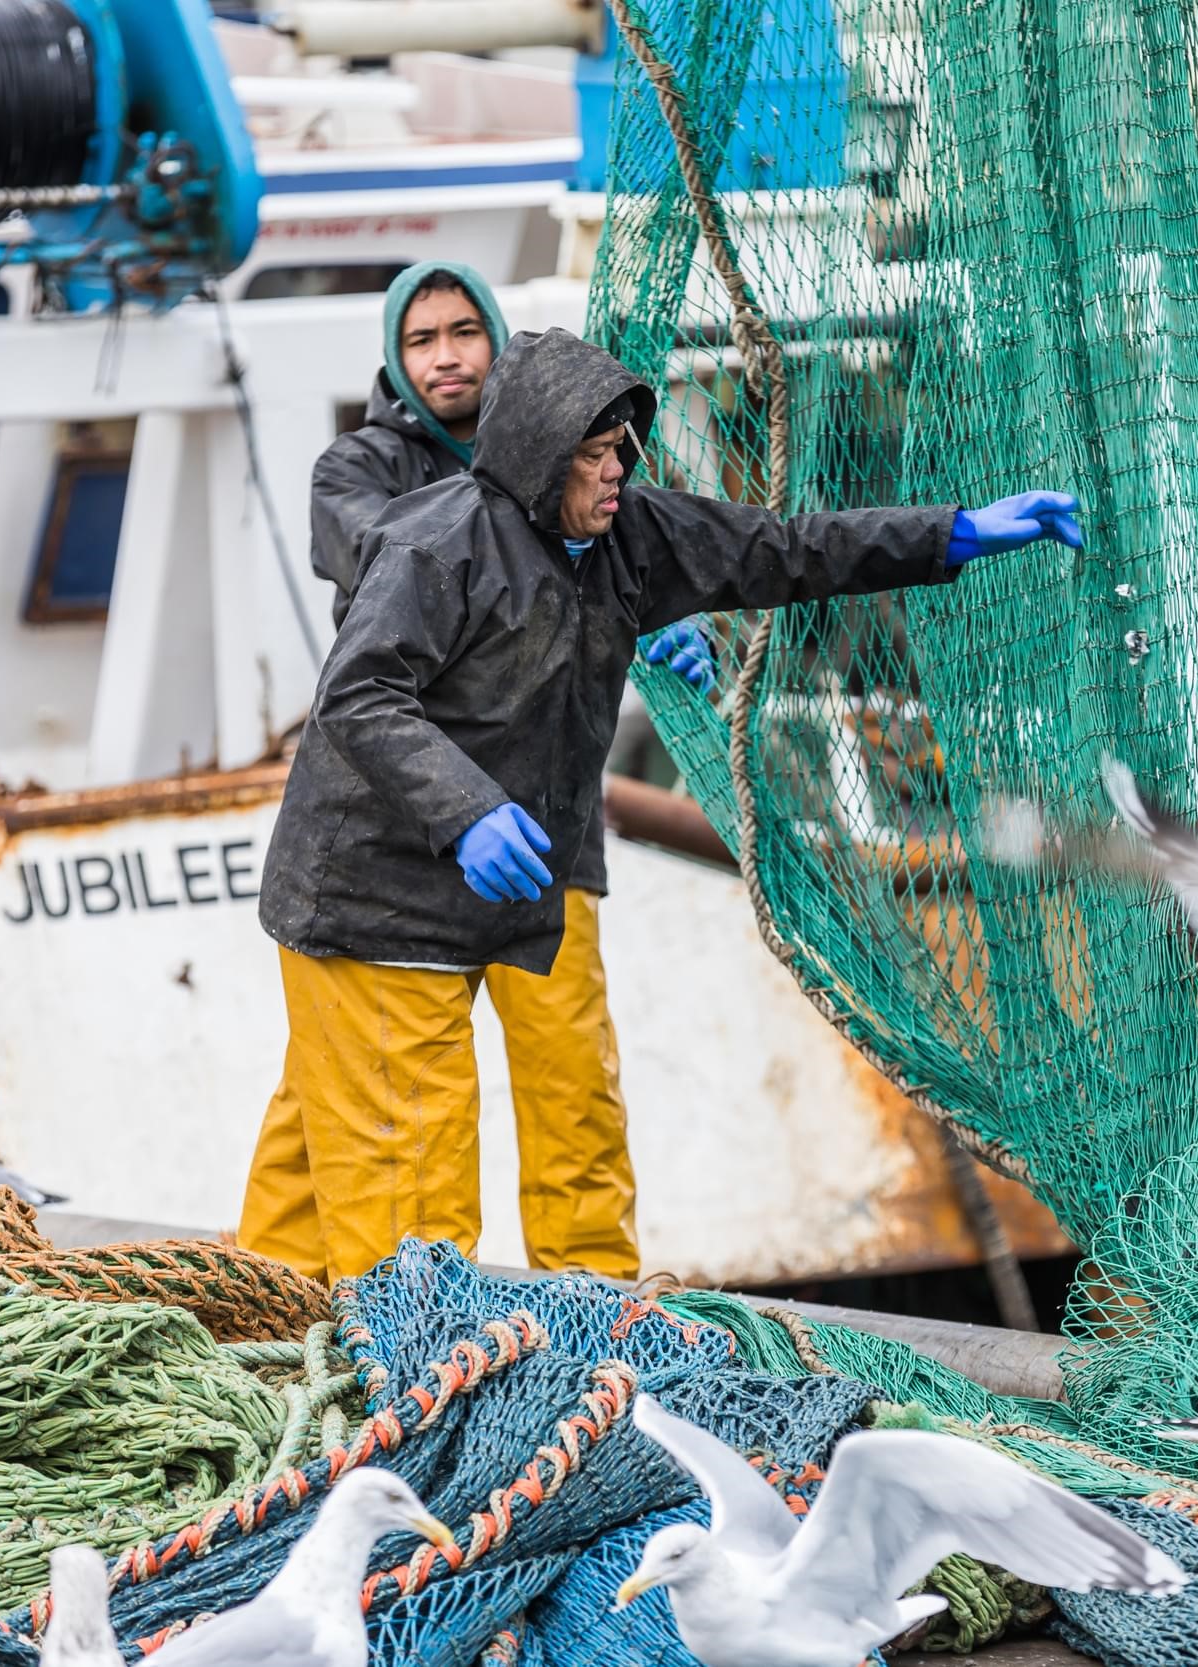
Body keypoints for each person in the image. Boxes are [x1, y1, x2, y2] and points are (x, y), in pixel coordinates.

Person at [244, 326, 1081, 1281]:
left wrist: (953, 534)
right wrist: (465, 809)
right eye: (590, 457)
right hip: (374, 900)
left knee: (334, 1135)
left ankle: (270, 1316)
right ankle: (410, 1383)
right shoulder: (436, 546)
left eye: (617, 454)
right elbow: (357, 694)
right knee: (410, 1180)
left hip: (496, 894)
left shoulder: (628, 534)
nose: (612, 475)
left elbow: (790, 551)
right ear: (534, 458)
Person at [238, 264, 704, 1283]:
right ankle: (267, 1290)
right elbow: (405, 567)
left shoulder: (585, 468)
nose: (445, 354)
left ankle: (593, 1294)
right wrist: (591, 590)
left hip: (540, 837)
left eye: (463, 331)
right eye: (420, 340)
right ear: (395, 361)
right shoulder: (354, 474)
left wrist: (653, 597)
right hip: (404, 844)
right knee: (324, 1088)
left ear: (498, 342)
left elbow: (662, 545)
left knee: (571, 1075)